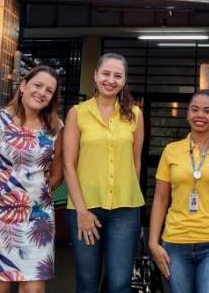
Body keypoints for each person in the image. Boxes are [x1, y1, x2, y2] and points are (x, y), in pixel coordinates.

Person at [0, 65, 65, 292]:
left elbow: (57, 175)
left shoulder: (55, 128)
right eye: (38, 85)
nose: (42, 92)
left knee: (34, 289)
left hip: (38, 219)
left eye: (49, 90)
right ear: (24, 86)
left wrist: (34, 196)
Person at [63, 52, 145, 293]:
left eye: (117, 75)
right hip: (85, 208)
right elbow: (69, 164)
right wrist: (81, 210)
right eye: (106, 73)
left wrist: (131, 196)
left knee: (119, 283)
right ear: (95, 75)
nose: (111, 80)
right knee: (87, 282)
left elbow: (136, 162)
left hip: (125, 211)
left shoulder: (135, 115)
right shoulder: (77, 113)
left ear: (124, 80)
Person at [148, 90, 209, 293]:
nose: (200, 115)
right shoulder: (171, 151)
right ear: (187, 114)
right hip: (175, 241)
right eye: (195, 109)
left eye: (207, 111)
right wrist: (153, 243)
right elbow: (161, 199)